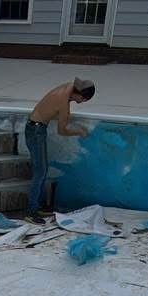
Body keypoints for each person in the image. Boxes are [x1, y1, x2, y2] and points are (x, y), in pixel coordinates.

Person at [25, 78, 95, 217]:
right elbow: (62, 131)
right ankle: (31, 211)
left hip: (34, 127)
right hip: (36, 131)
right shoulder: (63, 102)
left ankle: (38, 206)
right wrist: (79, 131)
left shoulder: (68, 87)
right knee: (40, 172)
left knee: (42, 171)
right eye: (82, 99)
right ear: (79, 94)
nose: (80, 102)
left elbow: (53, 109)